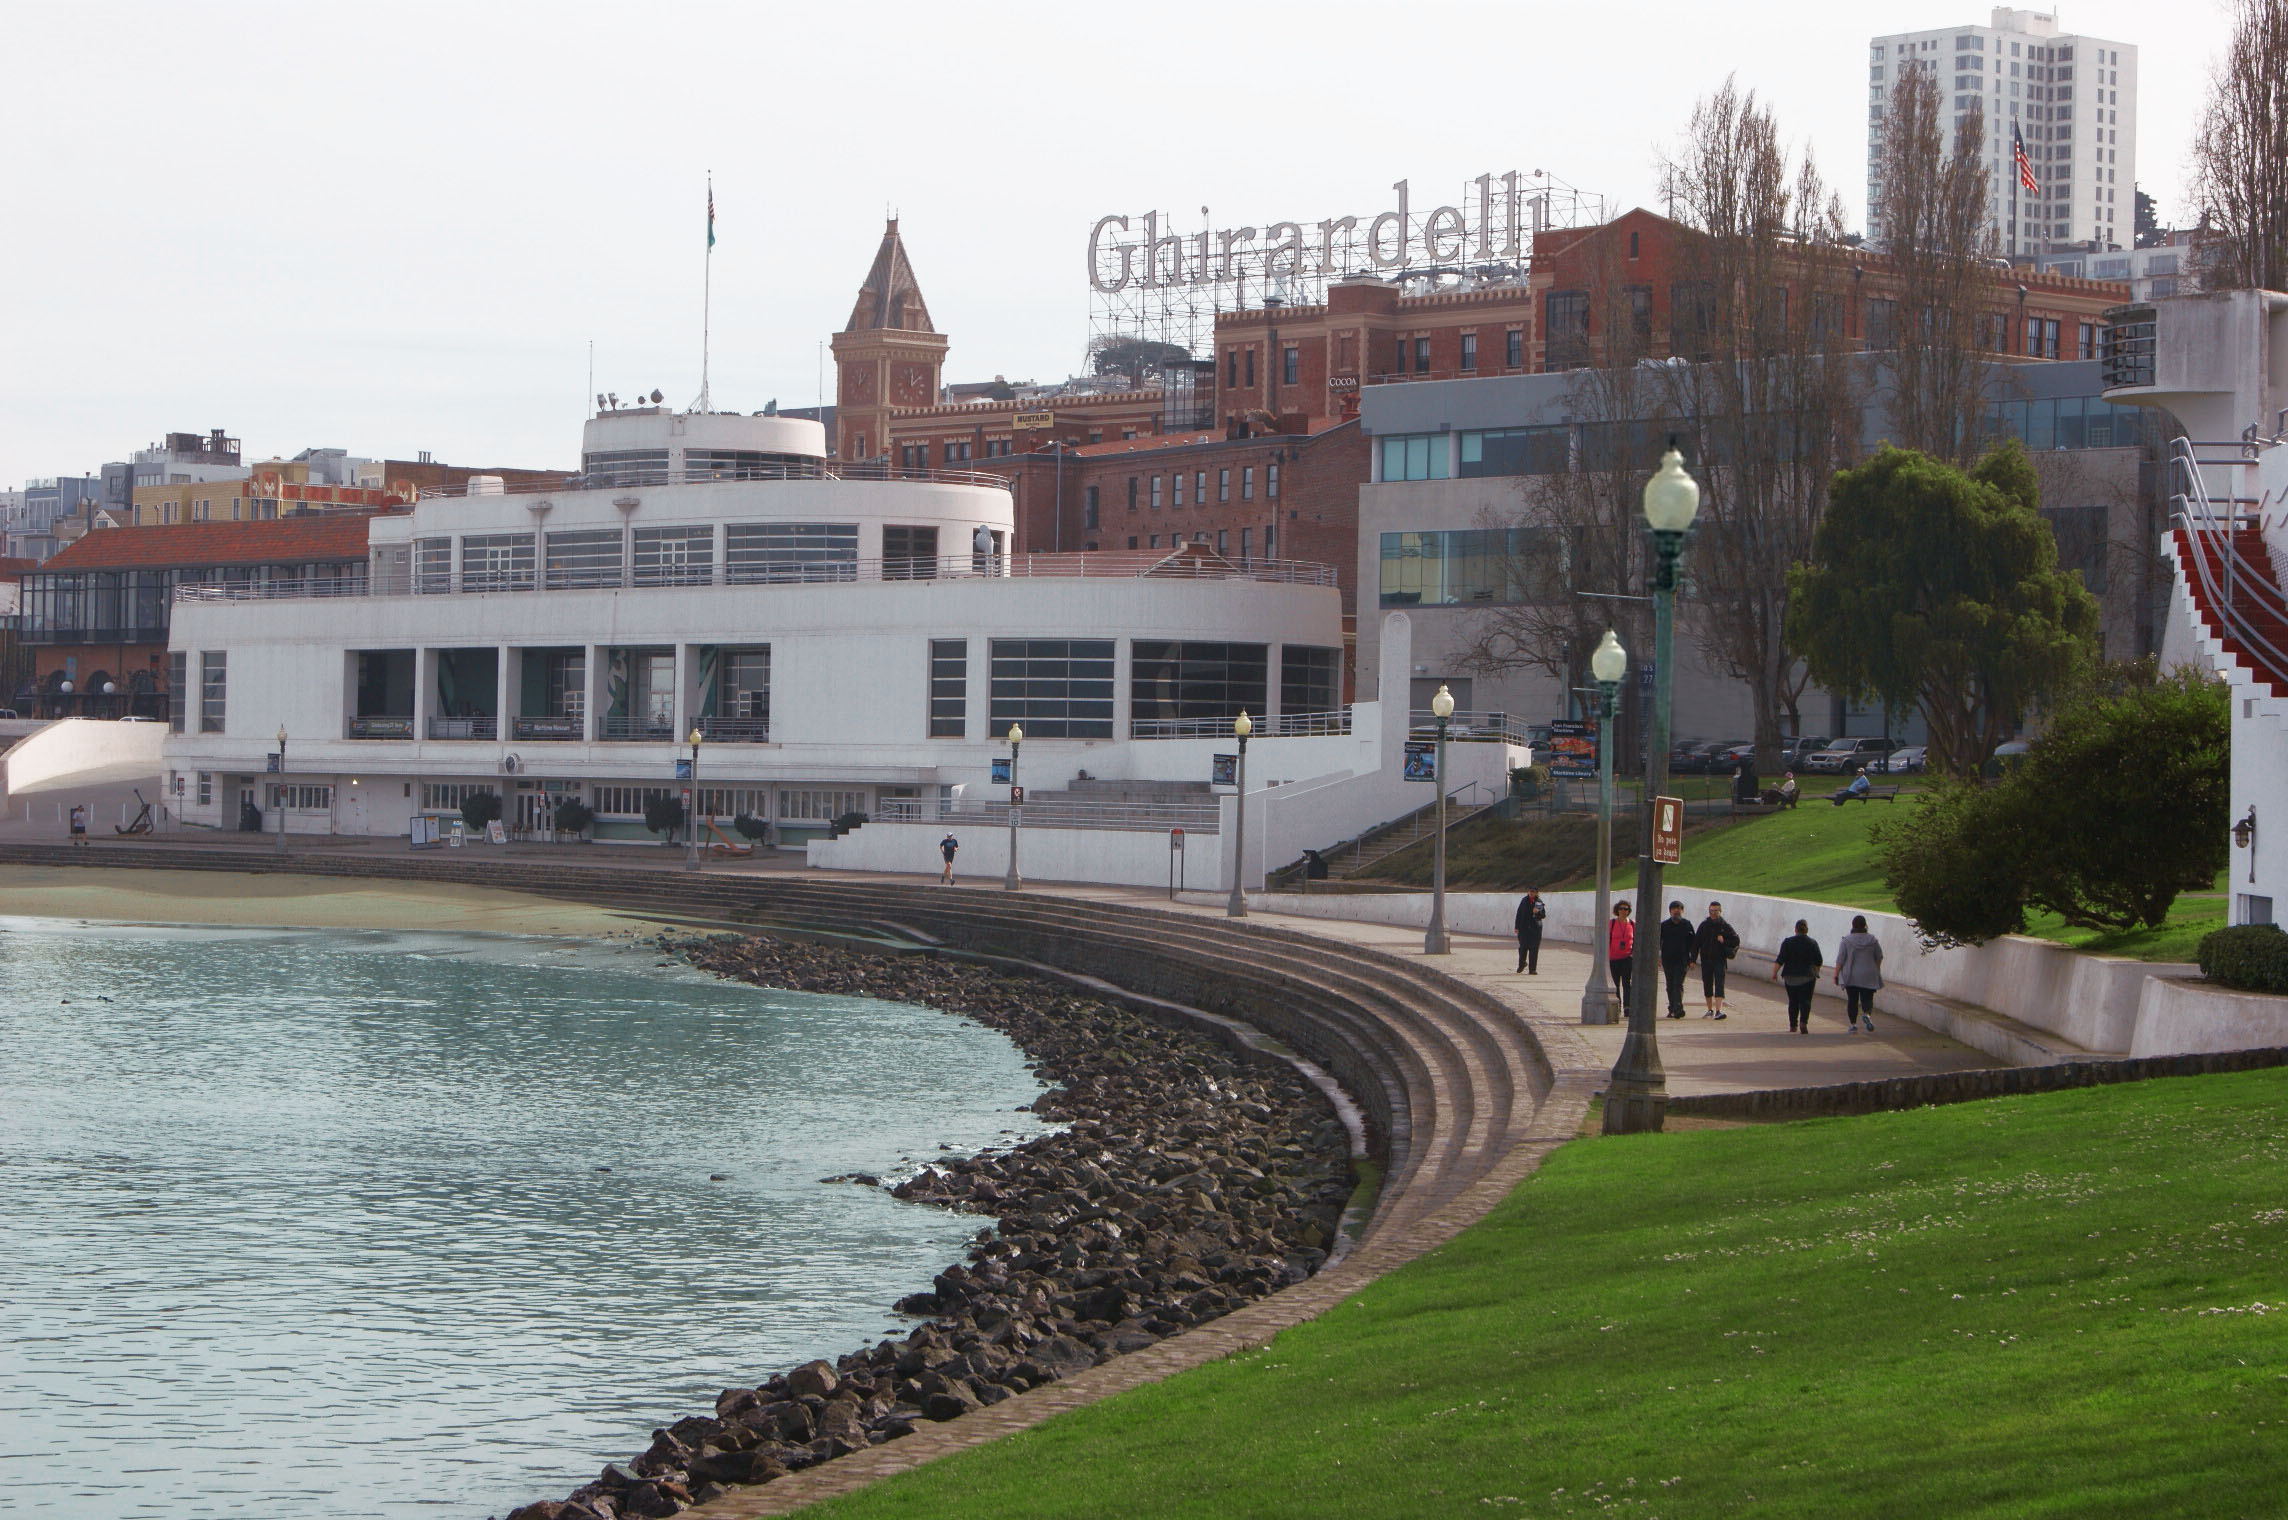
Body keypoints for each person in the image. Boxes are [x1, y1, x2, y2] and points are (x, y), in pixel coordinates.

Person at [1772, 919, 1825, 1034]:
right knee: (1805, 1001)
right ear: (1807, 930)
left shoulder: (1787, 942)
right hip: (1807, 977)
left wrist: (1774, 973)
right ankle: (1803, 1023)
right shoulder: (1812, 943)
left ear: (1795, 929)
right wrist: (1816, 971)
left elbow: (1780, 959)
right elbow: (1819, 961)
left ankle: (1793, 1026)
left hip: (1790, 977)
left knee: (1793, 1001)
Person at [1835, 914, 1885, 1032]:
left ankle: (1853, 1025)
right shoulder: (1873, 940)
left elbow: (1840, 959)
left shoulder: (1846, 940)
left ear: (1852, 925)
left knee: (1852, 1000)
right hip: (1869, 974)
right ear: (1865, 925)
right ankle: (1867, 1014)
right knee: (1867, 998)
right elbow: (1879, 957)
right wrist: (1876, 969)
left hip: (1851, 975)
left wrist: (1836, 974)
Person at [1695, 901, 1741, 1018]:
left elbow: (1736, 940)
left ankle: (1718, 1010)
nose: (1713, 913)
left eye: (1716, 911)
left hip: (1719, 960)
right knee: (1707, 983)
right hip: (1706, 959)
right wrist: (1692, 960)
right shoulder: (1704, 926)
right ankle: (1709, 1009)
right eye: (1712, 911)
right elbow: (1696, 943)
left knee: (1719, 984)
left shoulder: (1725, 926)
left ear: (1720, 911)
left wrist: (1724, 940)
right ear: (1709, 911)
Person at [1658, 900, 1697, 1019]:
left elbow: (1693, 943)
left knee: (1678, 983)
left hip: (1682, 960)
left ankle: (1678, 1008)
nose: (1676, 911)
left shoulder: (1687, 925)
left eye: (1679, 909)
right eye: (1674, 909)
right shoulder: (1664, 925)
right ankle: (1672, 1008)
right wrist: (1658, 957)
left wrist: (1692, 960)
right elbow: (1658, 942)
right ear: (1670, 911)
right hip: (1667, 960)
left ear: (1682, 911)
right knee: (1670, 985)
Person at [1606, 900, 1635, 1010]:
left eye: (1625, 909)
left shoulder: (1632, 924)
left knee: (1627, 983)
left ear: (1628, 911)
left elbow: (1636, 939)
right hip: (1613, 958)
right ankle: (1617, 1006)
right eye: (1621, 909)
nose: (1623, 911)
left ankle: (1628, 1007)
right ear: (1617, 910)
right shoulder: (1612, 923)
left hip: (1627, 958)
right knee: (1615, 983)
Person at [1513, 889, 1547, 974]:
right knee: (1523, 947)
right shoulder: (1524, 901)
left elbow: (1543, 915)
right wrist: (1517, 927)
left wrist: (1537, 912)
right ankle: (1522, 964)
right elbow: (1519, 913)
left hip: (1535, 929)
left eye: (1533, 892)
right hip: (1523, 928)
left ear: (1536, 893)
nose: (1531, 893)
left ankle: (1532, 969)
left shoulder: (1538, 902)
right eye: (1530, 891)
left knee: (1534, 949)